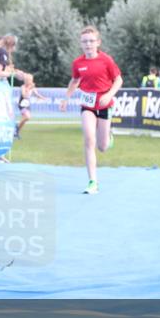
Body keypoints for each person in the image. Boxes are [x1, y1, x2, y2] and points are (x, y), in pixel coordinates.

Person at [59, 26, 123, 194]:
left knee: (102, 146)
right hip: (87, 106)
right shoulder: (78, 63)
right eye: (85, 41)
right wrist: (66, 98)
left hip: (104, 105)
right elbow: (75, 81)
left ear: (98, 42)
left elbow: (118, 80)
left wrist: (109, 95)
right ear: (81, 44)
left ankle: (108, 137)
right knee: (89, 139)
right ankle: (92, 181)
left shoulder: (106, 60)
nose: (88, 44)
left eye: (91, 41)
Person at [15, 75, 47, 139]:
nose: (29, 81)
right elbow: (24, 96)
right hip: (22, 104)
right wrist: (29, 88)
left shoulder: (32, 87)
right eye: (27, 80)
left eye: (30, 80)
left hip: (27, 105)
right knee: (27, 117)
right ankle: (16, 128)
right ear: (25, 81)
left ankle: (17, 131)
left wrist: (42, 97)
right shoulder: (23, 87)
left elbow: (36, 94)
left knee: (25, 118)